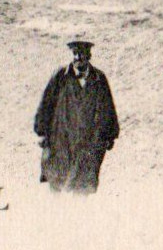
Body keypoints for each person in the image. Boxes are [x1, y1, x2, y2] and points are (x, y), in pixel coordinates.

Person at [33, 38, 120, 194]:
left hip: (88, 139)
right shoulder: (60, 76)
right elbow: (46, 104)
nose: (79, 58)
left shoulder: (99, 79)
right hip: (62, 136)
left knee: (83, 183)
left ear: (89, 56)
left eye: (83, 54)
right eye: (76, 54)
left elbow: (108, 107)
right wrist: (41, 132)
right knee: (57, 179)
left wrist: (110, 135)